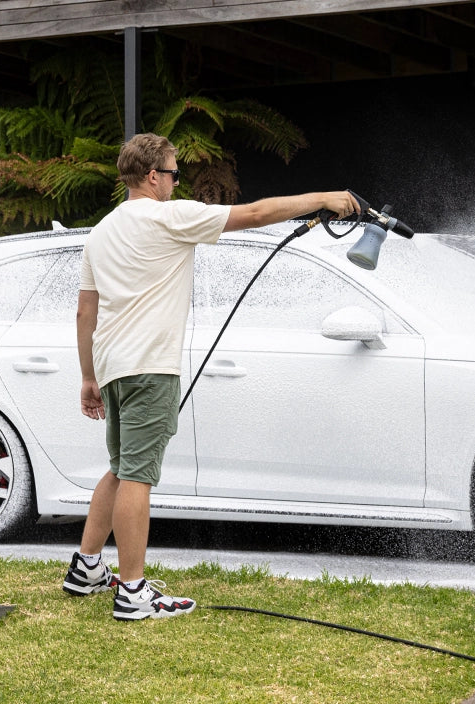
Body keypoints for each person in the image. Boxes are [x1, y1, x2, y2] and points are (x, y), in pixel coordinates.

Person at [61, 133, 357, 621]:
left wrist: (88, 377)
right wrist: (324, 199)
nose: (178, 182)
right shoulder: (168, 217)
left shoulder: (101, 232)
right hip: (150, 366)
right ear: (153, 176)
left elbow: (84, 314)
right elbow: (258, 214)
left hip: (114, 366)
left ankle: (87, 567)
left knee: (120, 465)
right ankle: (132, 593)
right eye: (175, 174)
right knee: (137, 473)